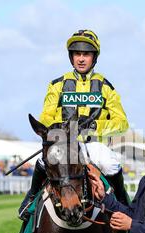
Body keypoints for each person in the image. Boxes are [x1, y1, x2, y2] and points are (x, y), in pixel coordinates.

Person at [18, 29, 129, 222]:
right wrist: (57, 128)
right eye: (77, 54)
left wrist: (95, 126)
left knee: (111, 163)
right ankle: (31, 199)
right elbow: (46, 115)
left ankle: (124, 203)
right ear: (71, 57)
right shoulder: (57, 85)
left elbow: (122, 123)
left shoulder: (106, 87)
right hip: (64, 143)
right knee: (43, 162)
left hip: (92, 144)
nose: (81, 59)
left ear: (94, 57)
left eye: (86, 54)